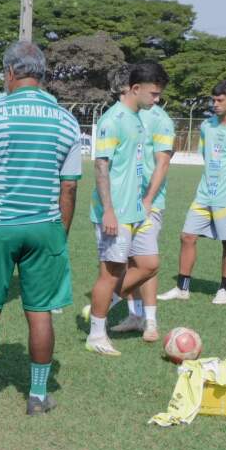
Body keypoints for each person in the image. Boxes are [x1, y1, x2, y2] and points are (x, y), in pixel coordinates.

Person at [0, 41, 80, 416]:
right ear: (41, 74)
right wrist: (60, 233)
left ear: (10, 73)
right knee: (39, 313)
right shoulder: (65, 120)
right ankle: (38, 396)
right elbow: (69, 185)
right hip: (44, 227)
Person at [86, 62, 169, 355]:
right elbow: (100, 165)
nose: (156, 100)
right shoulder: (114, 119)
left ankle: (102, 305)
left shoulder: (137, 118)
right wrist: (108, 210)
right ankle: (96, 335)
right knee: (110, 274)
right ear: (135, 89)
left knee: (149, 264)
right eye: (154, 94)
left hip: (134, 210)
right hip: (115, 212)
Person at [158, 80, 226, 305]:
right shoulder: (206, 126)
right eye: (213, 100)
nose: (215, 104)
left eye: (220, 100)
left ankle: (224, 289)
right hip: (205, 193)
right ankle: (182, 288)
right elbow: (206, 155)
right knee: (187, 236)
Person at [108, 65, 175, 342]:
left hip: (149, 201)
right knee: (128, 261)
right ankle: (135, 315)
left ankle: (149, 321)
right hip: (123, 201)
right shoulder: (122, 115)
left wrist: (149, 199)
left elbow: (163, 162)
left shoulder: (160, 119)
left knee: (146, 261)